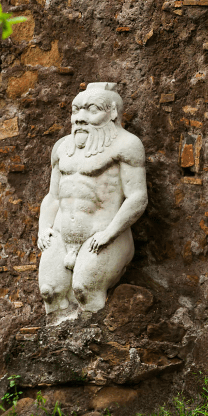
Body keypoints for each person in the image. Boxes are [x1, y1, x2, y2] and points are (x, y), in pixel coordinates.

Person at [37, 82, 147, 325]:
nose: (80, 118)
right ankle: (56, 348)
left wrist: (109, 234)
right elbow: (53, 196)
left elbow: (137, 197)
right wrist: (43, 229)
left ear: (113, 113)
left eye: (91, 110)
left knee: (85, 289)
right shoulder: (62, 148)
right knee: (49, 291)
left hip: (102, 236)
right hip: (62, 236)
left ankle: (92, 347)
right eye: (76, 111)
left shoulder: (126, 145)